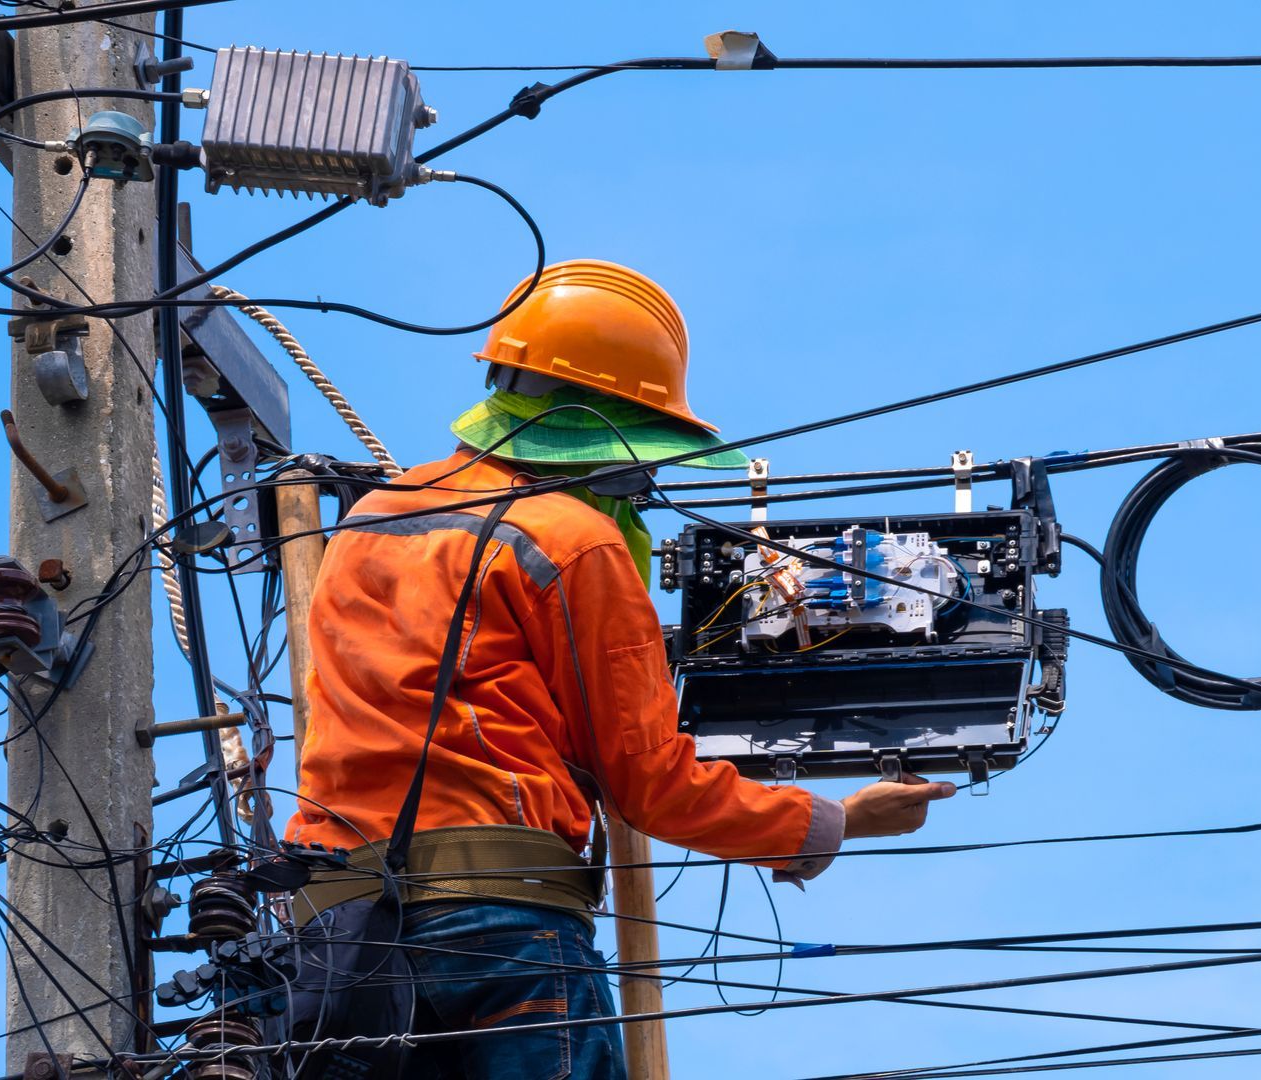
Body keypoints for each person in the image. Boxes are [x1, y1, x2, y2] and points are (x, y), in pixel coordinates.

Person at [284, 259, 957, 1079]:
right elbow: (652, 784)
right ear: (614, 431)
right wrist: (835, 823)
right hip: (502, 925)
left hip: (339, 929)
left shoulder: (368, 522)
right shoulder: (571, 542)